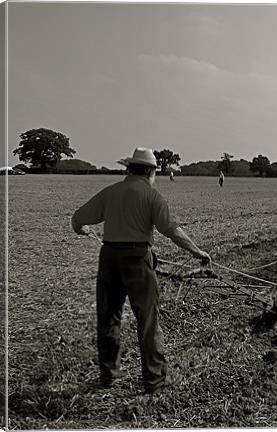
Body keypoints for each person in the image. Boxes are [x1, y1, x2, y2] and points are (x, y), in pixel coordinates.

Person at [71, 147, 211, 394]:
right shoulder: (152, 196)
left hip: (109, 257)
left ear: (129, 169)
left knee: (109, 317)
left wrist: (81, 229)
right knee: (147, 319)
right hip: (137, 259)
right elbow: (172, 231)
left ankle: (108, 375)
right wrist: (197, 252)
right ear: (149, 171)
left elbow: (77, 218)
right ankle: (154, 380)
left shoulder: (110, 192)